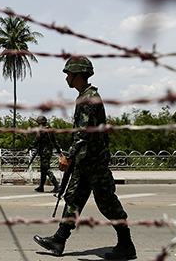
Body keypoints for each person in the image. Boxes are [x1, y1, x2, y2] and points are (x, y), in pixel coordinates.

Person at [33, 56, 136, 260]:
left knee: (107, 203)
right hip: (84, 162)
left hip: (94, 162)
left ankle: (126, 244)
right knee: (73, 199)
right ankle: (59, 240)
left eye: (69, 74)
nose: (66, 78)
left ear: (77, 75)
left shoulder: (89, 98)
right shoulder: (84, 96)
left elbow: (85, 132)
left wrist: (69, 155)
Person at [27, 115, 61, 193]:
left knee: (47, 169)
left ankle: (57, 186)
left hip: (44, 152)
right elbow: (55, 142)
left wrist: (29, 149)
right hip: (49, 152)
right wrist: (59, 151)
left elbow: (35, 141)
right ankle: (41, 187)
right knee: (43, 169)